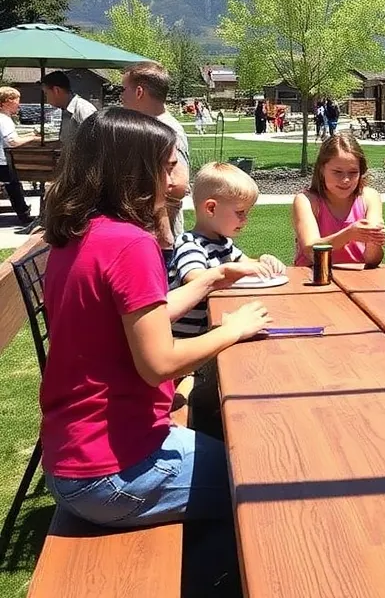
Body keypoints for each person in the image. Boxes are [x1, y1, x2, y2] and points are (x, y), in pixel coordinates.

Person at [39, 107, 271, 593]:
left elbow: (146, 317)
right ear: (133, 170)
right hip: (113, 470)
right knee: (260, 482)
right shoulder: (130, 244)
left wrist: (209, 276)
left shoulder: (79, 234)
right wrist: (235, 328)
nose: (174, 178)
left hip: (72, 455)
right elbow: (158, 364)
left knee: (236, 446)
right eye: (166, 166)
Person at [170, 162, 286, 436]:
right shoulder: (190, 244)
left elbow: (247, 264)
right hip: (185, 349)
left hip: (209, 335)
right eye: (240, 213)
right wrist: (226, 271)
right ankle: (185, 428)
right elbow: (195, 278)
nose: (245, 221)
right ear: (211, 208)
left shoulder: (222, 242)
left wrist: (263, 261)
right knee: (189, 398)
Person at [120, 61, 191, 263]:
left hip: (161, 240)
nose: (122, 96)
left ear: (139, 92)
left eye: (124, 89)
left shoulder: (167, 130)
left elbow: (178, 185)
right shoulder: (149, 126)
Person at [292, 133, 385, 267]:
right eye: (337, 172)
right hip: (314, 277)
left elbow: (372, 260)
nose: (346, 180)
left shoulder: (370, 197)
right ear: (321, 169)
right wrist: (349, 235)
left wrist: (374, 240)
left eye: (353, 172)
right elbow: (311, 251)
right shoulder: (307, 201)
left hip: (357, 280)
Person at [0, 86, 35, 226]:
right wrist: (33, 138)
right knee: (13, 186)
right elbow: (12, 141)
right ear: (7, 101)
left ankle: (23, 211)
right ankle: (23, 214)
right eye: (17, 101)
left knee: (13, 186)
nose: (19, 104)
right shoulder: (4, 120)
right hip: (2, 160)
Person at [40, 70, 97, 147]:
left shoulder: (84, 110)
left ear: (56, 90)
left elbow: (95, 144)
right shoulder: (66, 109)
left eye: (46, 93)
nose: (46, 98)